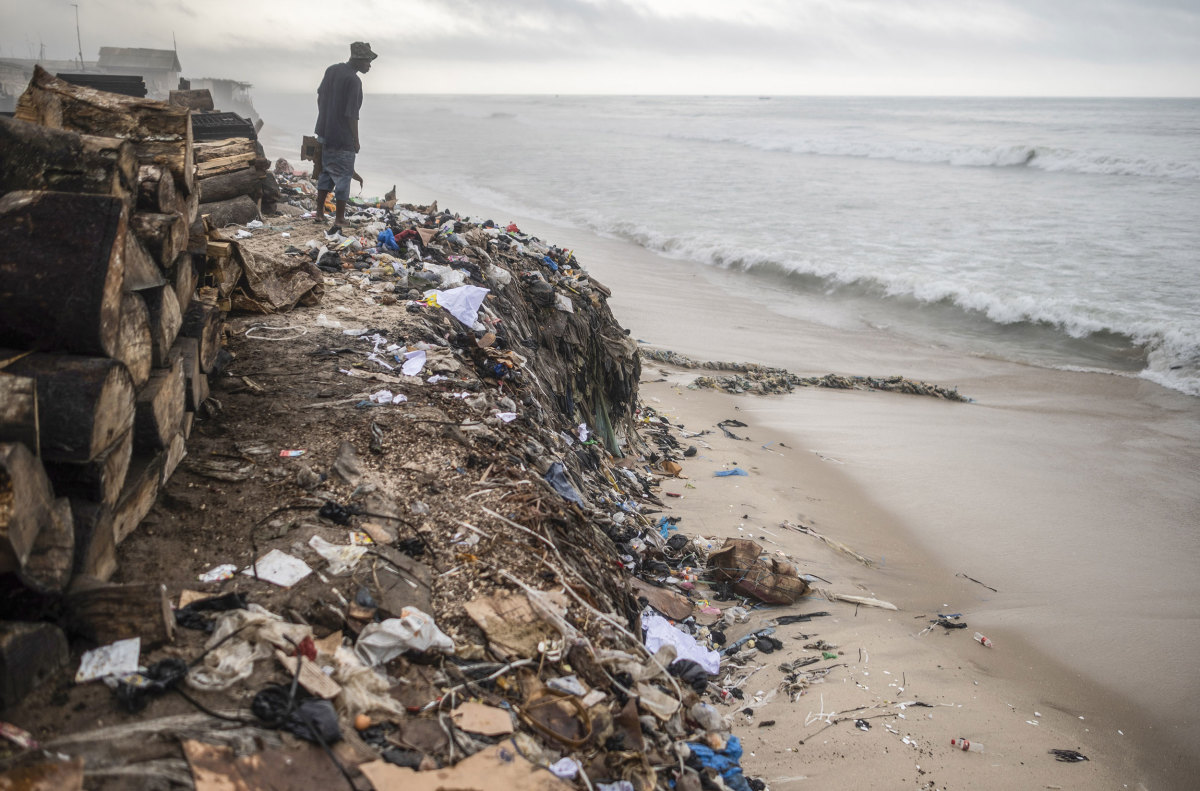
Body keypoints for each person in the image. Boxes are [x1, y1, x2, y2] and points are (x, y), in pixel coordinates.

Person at [314, 42, 377, 227]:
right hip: (342, 137)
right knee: (344, 176)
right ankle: (339, 218)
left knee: (325, 172)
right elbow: (352, 115)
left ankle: (319, 213)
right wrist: (356, 141)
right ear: (358, 60)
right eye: (368, 60)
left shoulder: (332, 70)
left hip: (324, 132)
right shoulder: (354, 81)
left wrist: (326, 117)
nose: (370, 65)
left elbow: (319, 96)